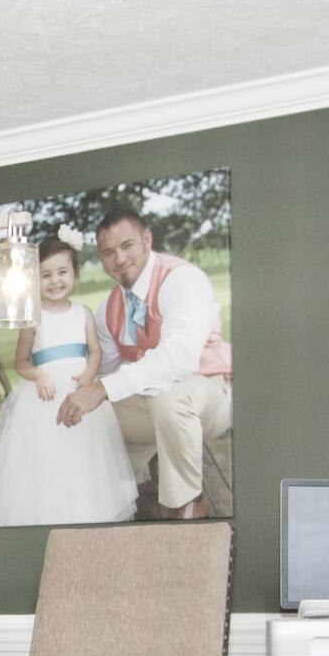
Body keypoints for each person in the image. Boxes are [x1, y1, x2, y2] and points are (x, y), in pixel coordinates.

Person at [60, 208, 233, 520]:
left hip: (208, 392)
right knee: (90, 415)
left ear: (146, 239)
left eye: (127, 246)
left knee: (171, 399)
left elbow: (179, 358)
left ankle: (187, 505)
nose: (120, 259)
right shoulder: (108, 309)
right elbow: (108, 371)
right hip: (152, 403)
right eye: (108, 253)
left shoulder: (181, 279)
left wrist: (103, 388)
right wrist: (79, 393)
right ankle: (131, 491)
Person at [0, 238, 136, 526]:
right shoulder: (33, 318)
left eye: (62, 272)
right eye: (46, 275)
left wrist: (89, 375)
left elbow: (95, 351)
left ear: (74, 273)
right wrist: (39, 375)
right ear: (35, 280)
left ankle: (88, 513)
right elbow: (21, 362)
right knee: (50, 457)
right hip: (44, 398)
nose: (55, 281)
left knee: (85, 456)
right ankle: (53, 513)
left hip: (79, 394)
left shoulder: (82, 313)